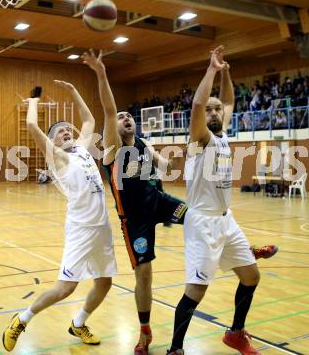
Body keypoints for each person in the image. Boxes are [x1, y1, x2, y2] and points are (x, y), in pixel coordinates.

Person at [82, 49, 277, 355]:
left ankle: (243, 250)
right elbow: (108, 110)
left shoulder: (144, 144)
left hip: (159, 200)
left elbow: (168, 165)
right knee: (144, 274)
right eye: (121, 118)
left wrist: (168, 163)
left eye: (129, 115)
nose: (126, 118)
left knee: (199, 216)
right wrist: (102, 73)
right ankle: (145, 332)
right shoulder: (111, 149)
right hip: (135, 217)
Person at [2, 80, 117, 352]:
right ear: (53, 141)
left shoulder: (82, 150)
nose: (66, 132)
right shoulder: (58, 158)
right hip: (81, 229)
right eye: (60, 131)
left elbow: (88, 120)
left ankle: (79, 323)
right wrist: (33, 102)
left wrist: (74, 91)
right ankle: (21, 319)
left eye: (68, 130)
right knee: (66, 288)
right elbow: (32, 127)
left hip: (102, 228)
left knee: (104, 282)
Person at [168, 46, 264, 355]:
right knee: (196, 291)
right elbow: (198, 102)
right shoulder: (200, 138)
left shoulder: (223, 134)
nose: (213, 112)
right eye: (209, 110)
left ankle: (236, 333)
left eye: (216, 109)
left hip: (226, 219)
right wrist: (211, 69)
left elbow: (230, 100)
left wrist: (226, 71)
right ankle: (175, 349)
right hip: (202, 223)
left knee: (251, 276)